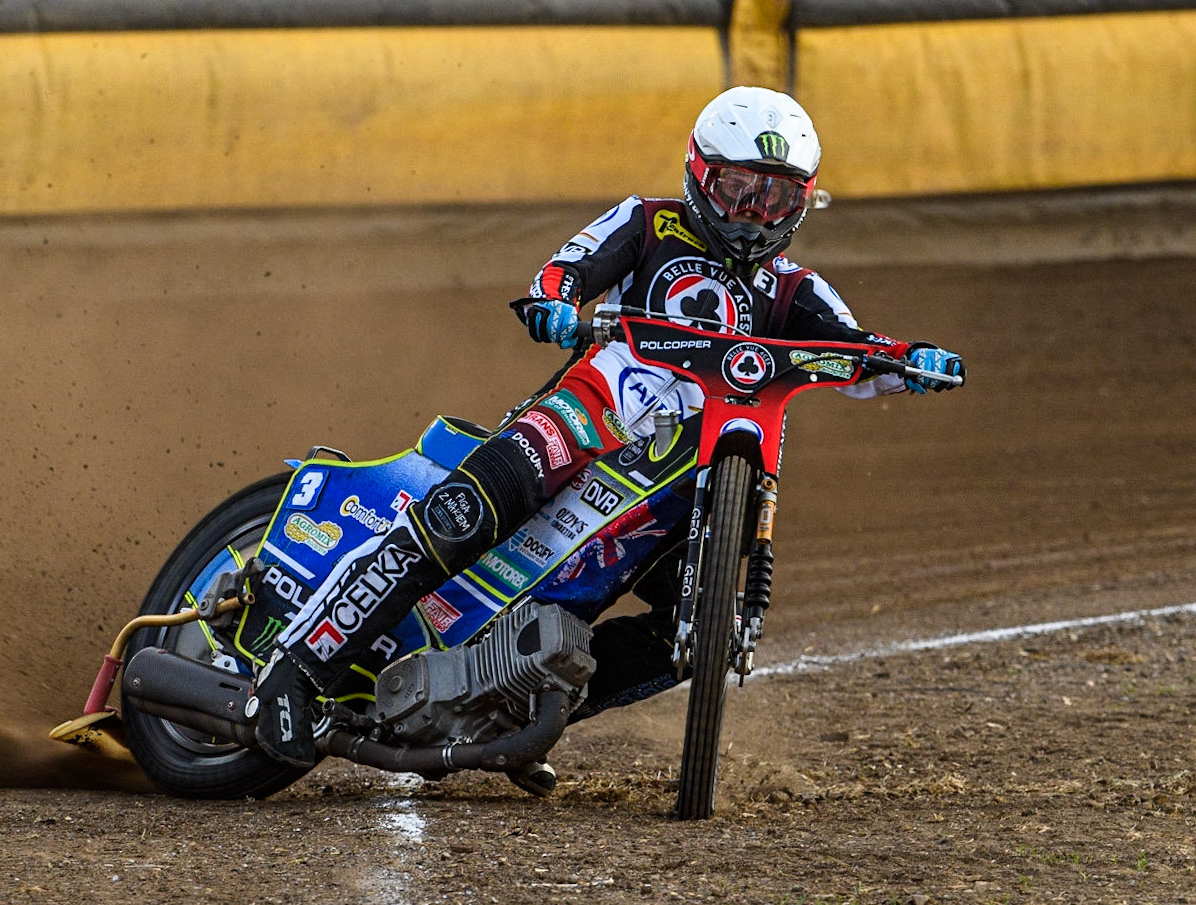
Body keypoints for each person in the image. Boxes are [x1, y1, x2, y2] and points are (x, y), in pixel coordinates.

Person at [249, 86, 965, 768]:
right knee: (471, 505)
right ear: (699, 173)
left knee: (687, 640)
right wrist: (553, 305)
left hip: (689, 469)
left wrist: (914, 360)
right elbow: (563, 272)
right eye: (738, 189)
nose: (753, 213)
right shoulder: (648, 223)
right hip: (593, 408)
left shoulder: (794, 287)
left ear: (802, 202)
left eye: (775, 196)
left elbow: (855, 350)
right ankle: (298, 664)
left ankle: (507, 716)